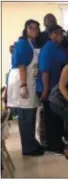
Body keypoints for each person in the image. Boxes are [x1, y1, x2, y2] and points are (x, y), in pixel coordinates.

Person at [7, 19, 44, 156]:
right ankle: (28, 149)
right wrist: (23, 85)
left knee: (31, 115)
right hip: (22, 81)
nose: (34, 30)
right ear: (26, 29)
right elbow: (22, 65)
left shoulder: (34, 43)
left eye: (36, 28)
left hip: (30, 81)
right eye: (31, 28)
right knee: (26, 117)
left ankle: (33, 143)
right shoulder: (23, 43)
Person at [37, 24, 68, 153]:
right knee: (51, 118)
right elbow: (45, 71)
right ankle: (54, 145)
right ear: (50, 35)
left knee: (57, 117)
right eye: (55, 33)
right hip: (49, 89)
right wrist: (45, 90)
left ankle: (57, 142)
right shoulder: (48, 48)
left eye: (61, 33)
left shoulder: (58, 47)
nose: (59, 35)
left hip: (57, 88)